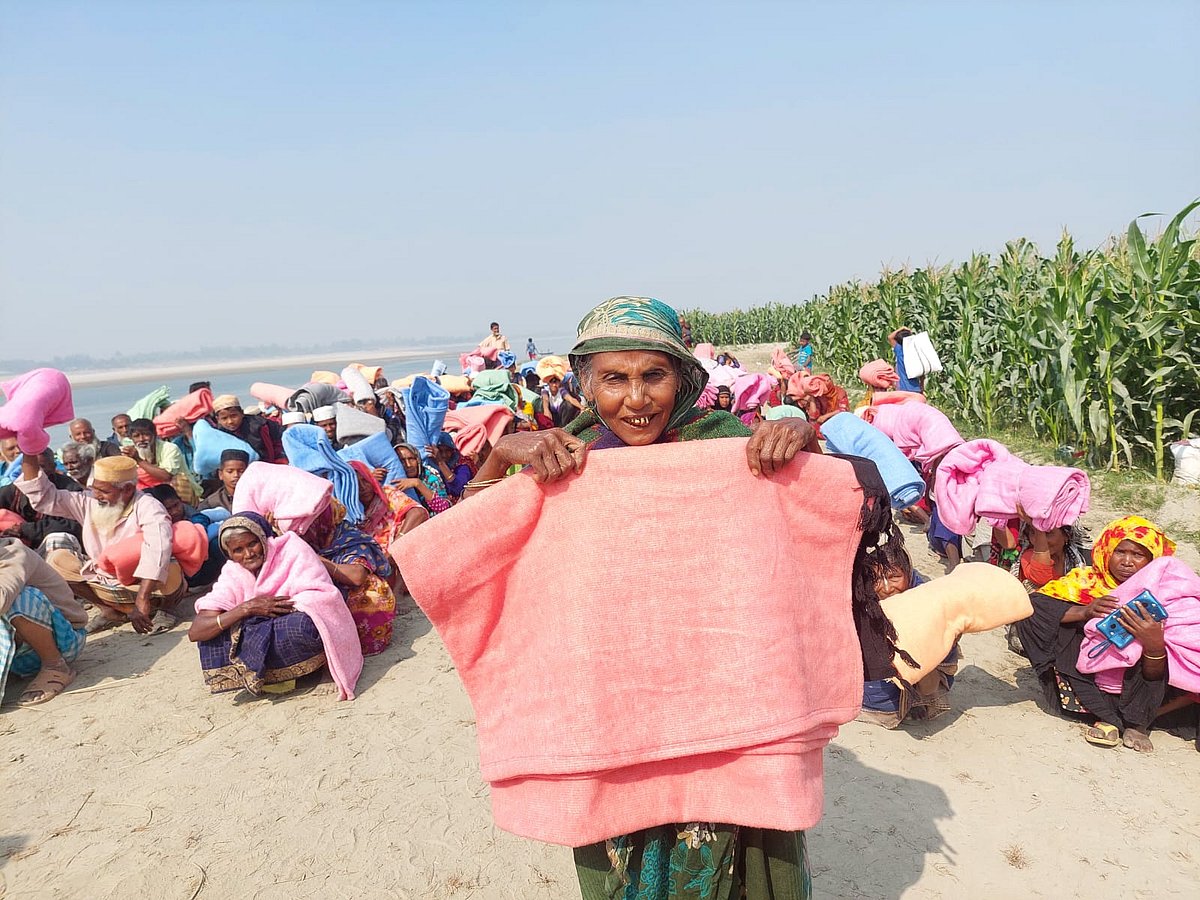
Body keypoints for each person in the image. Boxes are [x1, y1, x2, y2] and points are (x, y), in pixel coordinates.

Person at [460, 296, 824, 897]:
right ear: (585, 384)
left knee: (737, 840)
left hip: (724, 696)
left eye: (653, 375)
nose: (636, 399)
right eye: (613, 379)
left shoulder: (728, 446)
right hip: (610, 702)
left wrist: (802, 439)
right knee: (623, 845)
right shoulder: (565, 456)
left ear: (682, 378)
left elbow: (813, 521)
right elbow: (473, 555)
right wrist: (499, 457)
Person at [1015, 516, 1174, 752]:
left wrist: (1154, 644)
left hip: (1142, 685)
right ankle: (1104, 713)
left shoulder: (1167, 594)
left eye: (1138, 555)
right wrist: (1084, 611)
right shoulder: (1085, 580)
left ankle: (1135, 722)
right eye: (1120, 552)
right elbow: (1033, 606)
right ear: (1107, 550)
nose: (1127, 562)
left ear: (1153, 560)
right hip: (1086, 683)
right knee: (1034, 614)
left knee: (1166, 642)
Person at [188, 512, 363, 698]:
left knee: (303, 625)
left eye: (252, 544)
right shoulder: (232, 572)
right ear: (229, 554)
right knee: (212, 636)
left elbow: (322, 597)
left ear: (264, 539)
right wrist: (247, 608)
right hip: (259, 621)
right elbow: (196, 631)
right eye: (238, 550)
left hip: (294, 616)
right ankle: (272, 677)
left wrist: (281, 608)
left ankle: (322, 669)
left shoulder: (291, 549)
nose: (248, 554)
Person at [13, 453, 184, 635]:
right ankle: (111, 611)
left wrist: (143, 597)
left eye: (104, 491)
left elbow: (158, 548)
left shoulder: (149, 506)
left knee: (171, 568)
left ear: (127, 489)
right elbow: (45, 497)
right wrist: (29, 452)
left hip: (146, 585)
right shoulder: (89, 501)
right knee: (57, 560)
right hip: (106, 582)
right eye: (94, 489)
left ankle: (166, 610)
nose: (97, 495)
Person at [856, 542, 959, 728]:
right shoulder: (864, 597)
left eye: (894, 577)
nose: (886, 588)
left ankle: (916, 699)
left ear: (909, 574)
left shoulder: (926, 600)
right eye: (877, 579)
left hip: (925, 673)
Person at [298, 497, 397, 657]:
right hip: (331, 602)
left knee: (368, 594)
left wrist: (319, 560)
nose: (305, 528)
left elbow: (357, 576)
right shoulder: (305, 541)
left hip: (361, 605)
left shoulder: (348, 536)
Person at [0, 536, 88, 705]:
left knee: (20, 599)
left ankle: (55, 666)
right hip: (18, 658)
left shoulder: (13, 553)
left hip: (64, 642)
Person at [0, 448, 83, 554]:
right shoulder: (15, 489)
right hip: (22, 544)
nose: (35, 472)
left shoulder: (70, 489)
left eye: (41, 467)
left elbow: (74, 526)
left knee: (57, 539)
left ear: (53, 467)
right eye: (31, 467)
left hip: (55, 545)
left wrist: (26, 529)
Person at [349, 461, 428, 565]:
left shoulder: (387, 494)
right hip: (385, 568)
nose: (363, 488)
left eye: (365, 480)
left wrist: (395, 547)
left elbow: (418, 513)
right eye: (356, 484)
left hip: (409, 552)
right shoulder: (352, 519)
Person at [126, 418, 201, 503]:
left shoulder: (170, 448)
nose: (141, 439)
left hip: (181, 493)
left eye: (146, 434)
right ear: (131, 438)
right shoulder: (131, 452)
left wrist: (139, 460)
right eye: (136, 436)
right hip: (151, 493)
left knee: (179, 479)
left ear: (154, 434)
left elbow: (166, 476)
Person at [211, 395, 286, 464]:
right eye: (224, 418)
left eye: (234, 416)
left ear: (242, 413)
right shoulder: (220, 432)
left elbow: (269, 452)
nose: (230, 421)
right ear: (218, 419)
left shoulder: (257, 426)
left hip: (277, 448)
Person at [394, 443, 451, 515]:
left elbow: (444, 509)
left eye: (411, 459)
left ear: (418, 459)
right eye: (402, 461)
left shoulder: (430, 476)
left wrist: (418, 483)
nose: (408, 465)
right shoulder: (395, 481)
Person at [198, 449, 249, 513]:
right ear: (221, 474)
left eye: (241, 471)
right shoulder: (211, 503)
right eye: (230, 471)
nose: (236, 475)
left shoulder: (256, 498)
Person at [888, 328, 925, 393]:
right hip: (915, 388)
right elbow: (922, 371)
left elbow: (890, 337)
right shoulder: (915, 352)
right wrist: (921, 385)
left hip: (903, 389)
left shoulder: (899, 350)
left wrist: (903, 328)